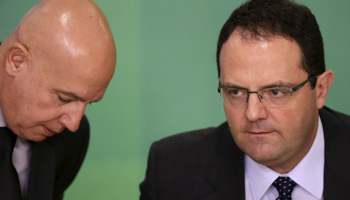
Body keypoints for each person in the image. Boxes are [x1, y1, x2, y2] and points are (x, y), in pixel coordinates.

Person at [140, 0, 350, 199]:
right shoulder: (172, 173)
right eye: (236, 92)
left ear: (321, 89)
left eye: (275, 92)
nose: (253, 113)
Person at [0, 0, 116, 199]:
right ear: (17, 61)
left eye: (89, 103)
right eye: (64, 98)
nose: (73, 124)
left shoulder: (70, 141)